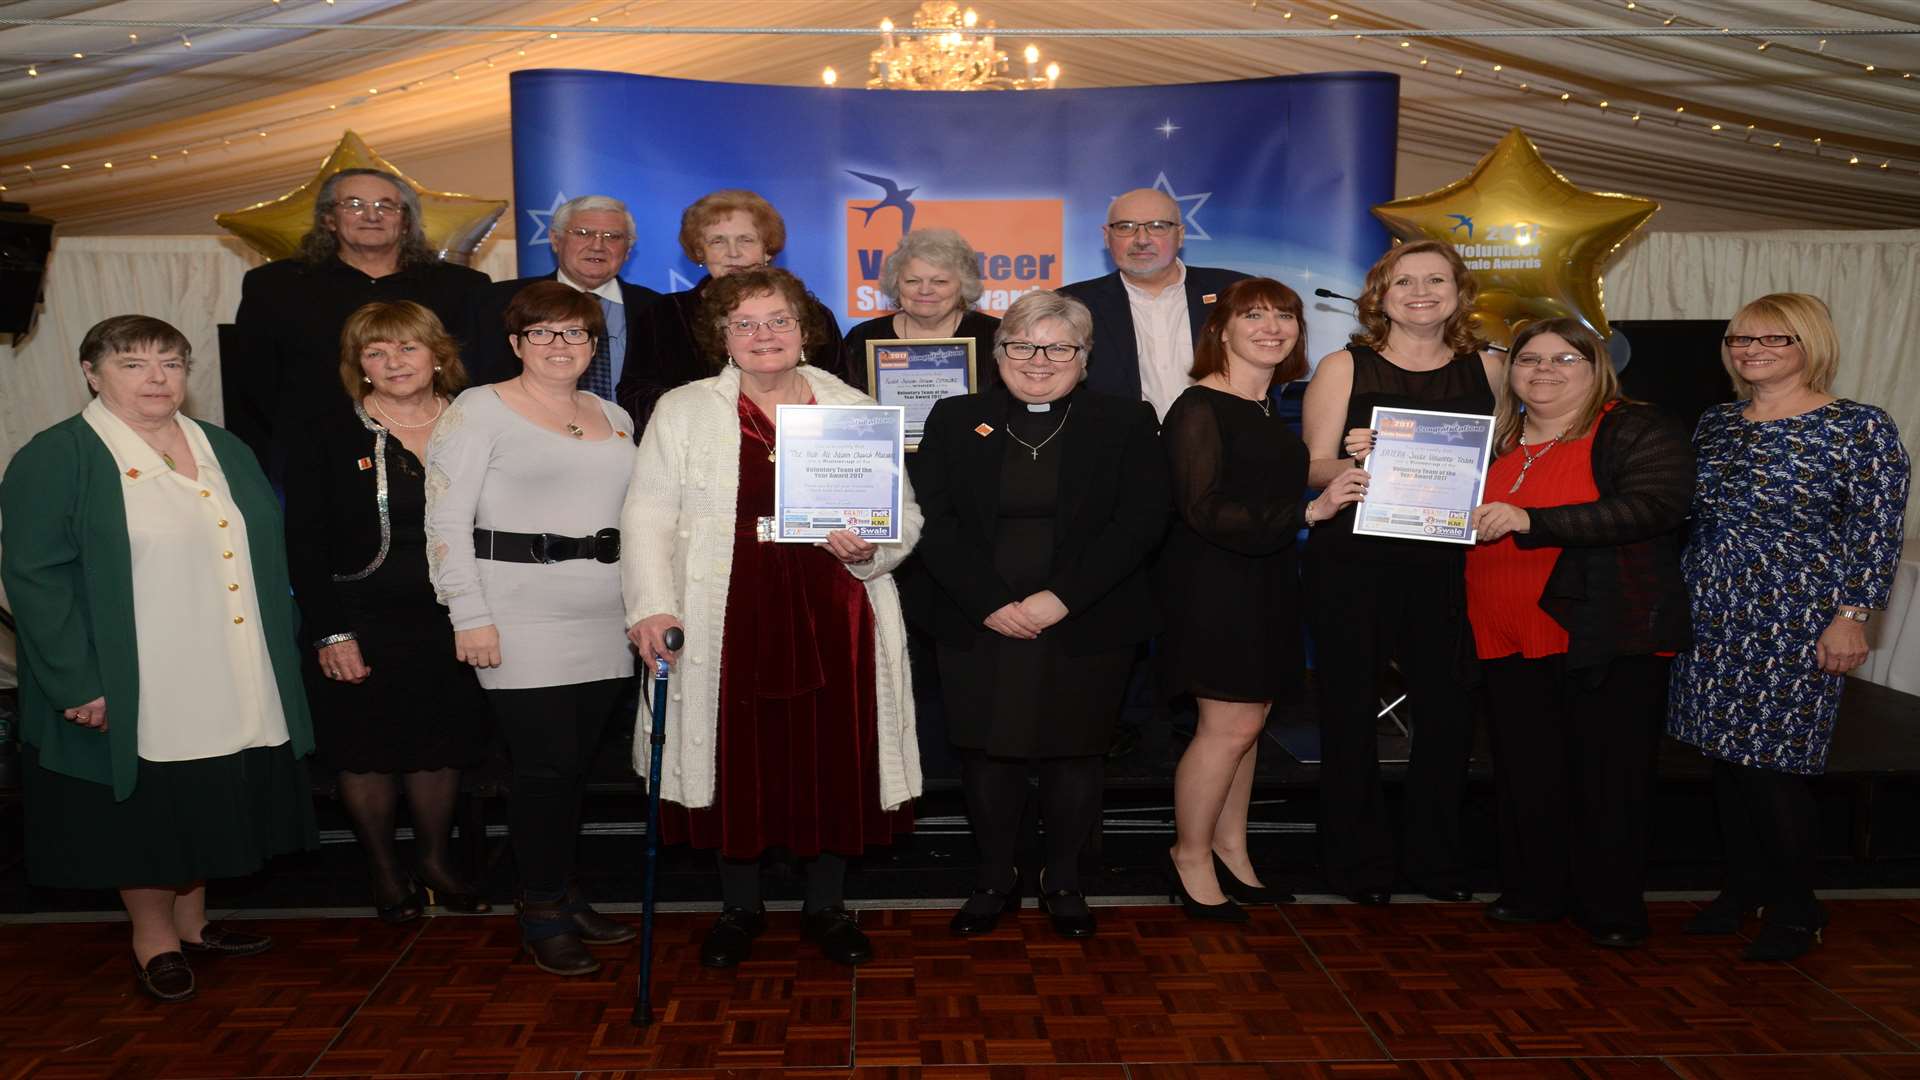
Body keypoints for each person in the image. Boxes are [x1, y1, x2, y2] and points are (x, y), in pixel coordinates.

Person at [1, 316, 317, 1002]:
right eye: (133, 364)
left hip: (227, 660)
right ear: (91, 372)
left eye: (170, 364)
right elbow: (33, 576)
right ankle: (155, 940)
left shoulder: (222, 446)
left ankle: (196, 923)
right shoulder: (58, 456)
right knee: (145, 812)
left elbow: (265, 548)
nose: (156, 379)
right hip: (135, 672)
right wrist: (77, 680)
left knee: (207, 794)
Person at [621, 266, 922, 969]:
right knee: (735, 753)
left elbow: (903, 515)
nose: (764, 336)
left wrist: (873, 545)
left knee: (831, 756)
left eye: (778, 321)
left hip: (835, 609)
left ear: (804, 328)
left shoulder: (850, 405)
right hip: (723, 608)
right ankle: (739, 908)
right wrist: (651, 605)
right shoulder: (686, 409)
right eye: (745, 324)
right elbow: (646, 513)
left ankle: (827, 908)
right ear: (721, 336)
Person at [912, 291, 1167, 939]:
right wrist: (990, 602)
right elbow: (930, 520)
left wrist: (1060, 599)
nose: (1038, 360)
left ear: (1084, 359)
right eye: (1021, 345)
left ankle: (1064, 879)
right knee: (987, 755)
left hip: (1086, 617)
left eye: (1058, 347)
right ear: (997, 355)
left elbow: (1138, 523)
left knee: (1073, 754)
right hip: (979, 618)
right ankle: (995, 878)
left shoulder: (1126, 420)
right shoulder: (952, 417)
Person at [1668, 293, 1909, 962]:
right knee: (1725, 761)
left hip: (1797, 616)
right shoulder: (1717, 422)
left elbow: (1876, 530)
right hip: (1711, 608)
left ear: (1811, 345)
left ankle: (1800, 906)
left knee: (1775, 765)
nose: (1753, 350)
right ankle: (1742, 891)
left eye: (1774, 340)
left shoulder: (1858, 426)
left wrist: (1852, 617)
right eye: (1742, 339)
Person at [424, 281, 638, 977]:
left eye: (575, 334)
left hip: (607, 612)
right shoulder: (478, 408)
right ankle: (540, 908)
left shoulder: (615, 414)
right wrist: (469, 615)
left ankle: (563, 890)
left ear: (594, 346)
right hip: (516, 613)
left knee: (573, 770)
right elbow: (445, 522)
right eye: (541, 333)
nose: (559, 346)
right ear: (515, 343)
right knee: (543, 770)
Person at [1462, 318, 1693, 949]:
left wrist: (1530, 520)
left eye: (1565, 359)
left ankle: (1611, 907)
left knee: (1608, 777)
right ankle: (1534, 893)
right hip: (1501, 630)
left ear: (1597, 369)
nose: (1544, 370)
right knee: (1527, 772)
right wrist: (1386, 459)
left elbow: (1654, 506)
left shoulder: (1634, 427)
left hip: (1602, 631)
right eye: (1529, 359)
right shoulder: (1494, 440)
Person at [1158, 279, 1369, 921]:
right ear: (1220, 329)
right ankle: (1188, 855)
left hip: (1266, 578)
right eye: (1253, 315)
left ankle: (1231, 849)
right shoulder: (1199, 406)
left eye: (1285, 317)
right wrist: (1314, 509)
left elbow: (1287, 476)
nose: (1272, 327)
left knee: (1246, 732)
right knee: (1228, 729)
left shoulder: (1260, 405)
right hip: (1215, 586)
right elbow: (1203, 510)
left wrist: (1365, 460)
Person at [1300, 239, 1502, 905]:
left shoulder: (1492, 370)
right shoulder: (1343, 366)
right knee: (1350, 714)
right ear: (1379, 295)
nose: (1421, 292)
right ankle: (1357, 865)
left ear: (1459, 290)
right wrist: (1357, 463)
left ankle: (1436, 861)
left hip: (1450, 564)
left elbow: (1498, 468)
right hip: (1354, 561)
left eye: (1436, 279)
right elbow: (1311, 467)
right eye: (1404, 281)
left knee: (1447, 715)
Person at [284, 301, 494, 923]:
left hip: (456, 616)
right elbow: (303, 543)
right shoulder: (327, 429)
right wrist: (330, 631)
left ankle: (434, 861)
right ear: (359, 366)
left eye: (407, 347)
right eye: (376, 352)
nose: (393, 362)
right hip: (359, 619)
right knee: (365, 751)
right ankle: (382, 867)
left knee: (440, 747)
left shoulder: (476, 421)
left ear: (437, 355)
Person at [232, 167, 490, 480]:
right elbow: (253, 381)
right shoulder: (274, 286)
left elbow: (475, 375)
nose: (371, 215)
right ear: (328, 219)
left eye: (386, 206)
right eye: (354, 205)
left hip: (433, 455)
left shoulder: (462, 287)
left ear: (405, 220)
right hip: (309, 460)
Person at [616, 189, 849, 435]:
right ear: (699, 252)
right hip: (694, 450)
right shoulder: (662, 314)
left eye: (746, 240)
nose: (733, 252)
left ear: (767, 249)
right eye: (717, 241)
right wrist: (705, 413)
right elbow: (634, 395)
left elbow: (841, 391)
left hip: (797, 448)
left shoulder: (812, 314)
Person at [1058, 187, 1248, 419]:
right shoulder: (1070, 304)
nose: (1141, 240)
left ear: (1180, 234)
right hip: (1119, 449)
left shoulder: (1235, 290)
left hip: (1223, 446)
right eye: (1125, 227)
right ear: (1107, 236)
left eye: (1157, 226)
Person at [463, 194, 661, 392]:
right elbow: (469, 378)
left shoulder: (658, 310)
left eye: (613, 237)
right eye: (583, 233)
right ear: (555, 240)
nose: (597, 246)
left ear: (628, 250)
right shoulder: (495, 302)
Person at [840, 228, 1001, 396]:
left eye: (939, 281)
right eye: (912, 281)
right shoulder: (862, 337)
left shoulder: (996, 335)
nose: (924, 290)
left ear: (963, 285)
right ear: (896, 284)